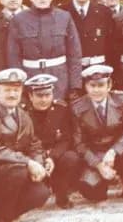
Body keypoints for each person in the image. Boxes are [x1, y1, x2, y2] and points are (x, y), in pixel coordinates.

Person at [0, 68, 50, 222]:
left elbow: (34, 144)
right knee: (17, 171)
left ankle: (3, 213)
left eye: (16, 90)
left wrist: (38, 164)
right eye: (7, 90)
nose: (12, 94)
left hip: (17, 171)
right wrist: (28, 162)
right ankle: (1, 218)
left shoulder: (22, 114)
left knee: (41, 193)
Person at [71, 65, 123, 204]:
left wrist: (114, 151)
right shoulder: (77, 108)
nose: (96, 90)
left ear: (109, 85)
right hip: (95, 155)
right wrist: (99, 165)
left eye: (101, 85)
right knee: (92, 192)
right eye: (92, 85)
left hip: (118, 151)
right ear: (86, 86)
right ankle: (102, 184)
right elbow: (79, 144)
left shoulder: (122, 100)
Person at [8, 0, 83, 103]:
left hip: (59, 77)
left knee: (59, 114)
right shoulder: (19, 20)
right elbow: (13, 56)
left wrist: (74, 85)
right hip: (31, 76)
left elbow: (74, 54)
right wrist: (19, 85)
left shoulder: (64, 17)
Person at [22, 74, 82, 209]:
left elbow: (66, 139)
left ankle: (61, 195)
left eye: (47, 95)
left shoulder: (61, 109)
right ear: (30, 96)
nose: (44, 99)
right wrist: (40, 158)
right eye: (39, 96)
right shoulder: (23, 113)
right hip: (33, 156)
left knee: (71, 157)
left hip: (55, 154)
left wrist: (52, 157)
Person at [61, 0, 116, 70]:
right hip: (71, 69)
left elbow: (111, 45)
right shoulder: (62, 12)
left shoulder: (104, 12)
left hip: (98, 68)